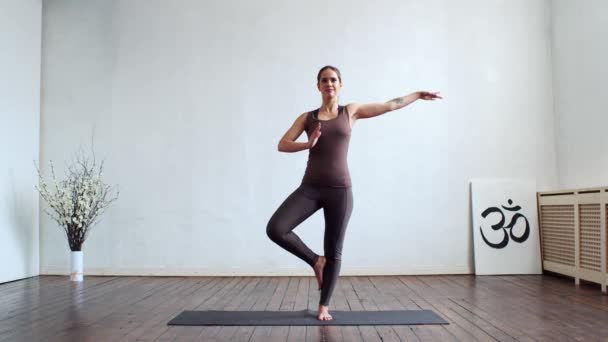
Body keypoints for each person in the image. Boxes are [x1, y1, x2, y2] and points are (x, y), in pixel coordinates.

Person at [266, 65, 442, 321]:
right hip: (310, 188)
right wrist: (308, 143)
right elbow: (282, 144)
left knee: (334, 249)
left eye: (334, 79)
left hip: (340, 191)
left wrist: (417, 94)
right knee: (276, 228)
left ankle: (324, 306)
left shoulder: (351, 111)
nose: (329, 83)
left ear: (340, 85)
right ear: (318, 86)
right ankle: (316, 261)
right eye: (324, 80)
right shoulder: (308, 118)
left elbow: (389, 105)